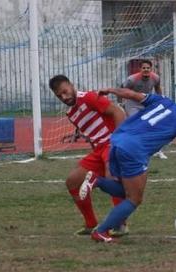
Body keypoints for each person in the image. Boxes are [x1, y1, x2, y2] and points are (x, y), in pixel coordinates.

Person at [79, 88, 176, 242]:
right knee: (134, 199)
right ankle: (101, 231)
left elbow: (132, 94)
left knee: (124, 190)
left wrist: (110, 90)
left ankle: (97, 181)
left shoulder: (164, 100)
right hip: (134, 149)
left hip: (117, 140)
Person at [48, 75, 128, 236]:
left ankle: (120, 224)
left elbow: (118, 112)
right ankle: (91, 224)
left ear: (72, 85)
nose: (64, 97)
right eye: (59, 95)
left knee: (110, 176)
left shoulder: (90, 97)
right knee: (72, 182)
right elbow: (91, 134)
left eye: (65, 91)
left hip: (111, 143)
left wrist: (118, 141)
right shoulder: (71, 113)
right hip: (98, 150)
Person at [122, 59, 168, 159]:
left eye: (148, 68)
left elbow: (157, 88)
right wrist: (122, 102)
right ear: (140, 69)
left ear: (151, 69)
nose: (146, 69)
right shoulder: (132, 79)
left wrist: (160, 99)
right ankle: (134, 150)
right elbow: (123, 89)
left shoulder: (155, 78)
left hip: (146, 102)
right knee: (138, 126)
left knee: (154, 124)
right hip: (133, 103)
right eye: (144, 68)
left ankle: (158, 150)